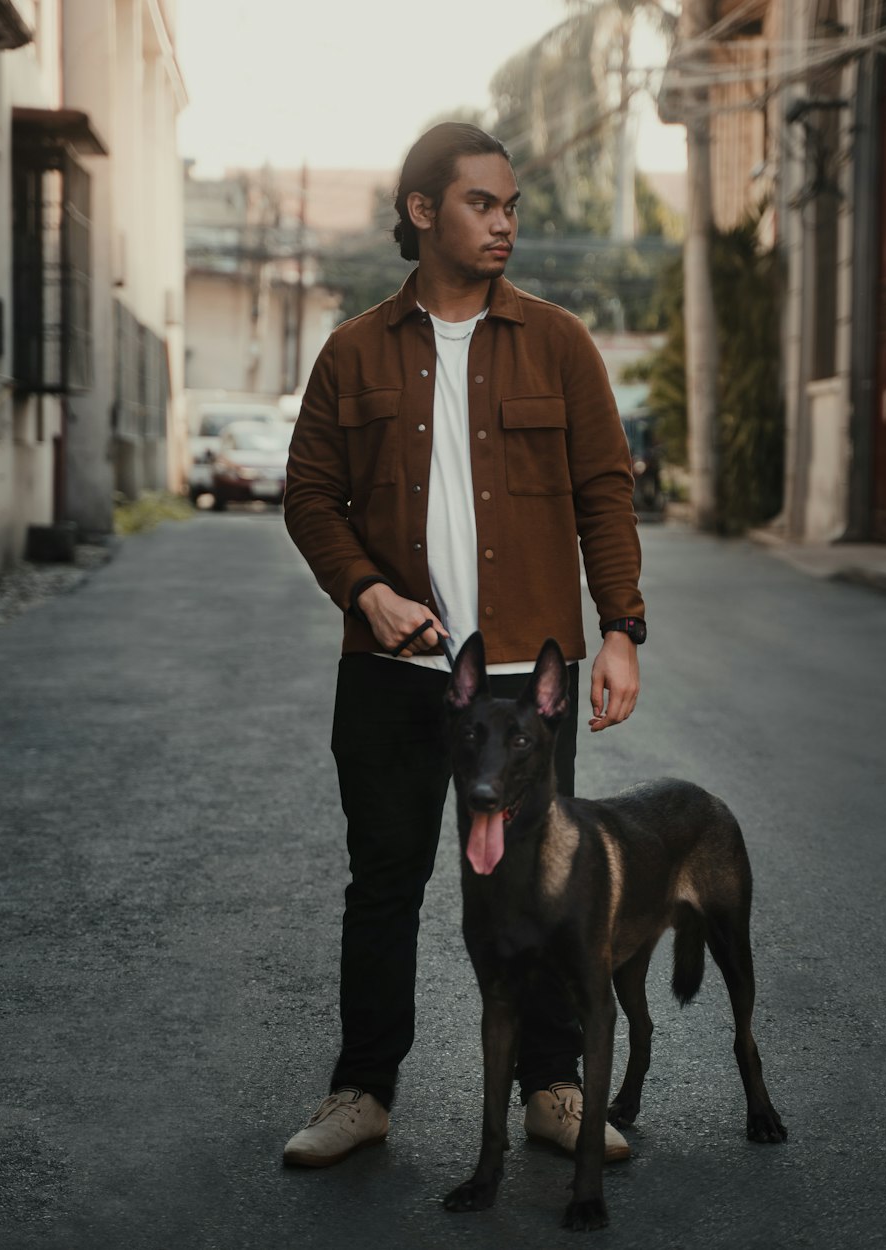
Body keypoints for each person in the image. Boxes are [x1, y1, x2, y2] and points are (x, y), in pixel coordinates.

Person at [282, 122, 646, 1169]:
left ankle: (554, 1087)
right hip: (392, 673)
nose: (505, 223)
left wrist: (618, 628)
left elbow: (604, 493)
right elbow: (310, 495)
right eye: (483, 203)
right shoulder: (354, 349)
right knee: (385, 877)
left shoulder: (559, 341)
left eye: (512, 205)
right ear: (422, 211)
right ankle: (363, 1089)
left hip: (522, 692)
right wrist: (365, 590)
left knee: (543, 881)